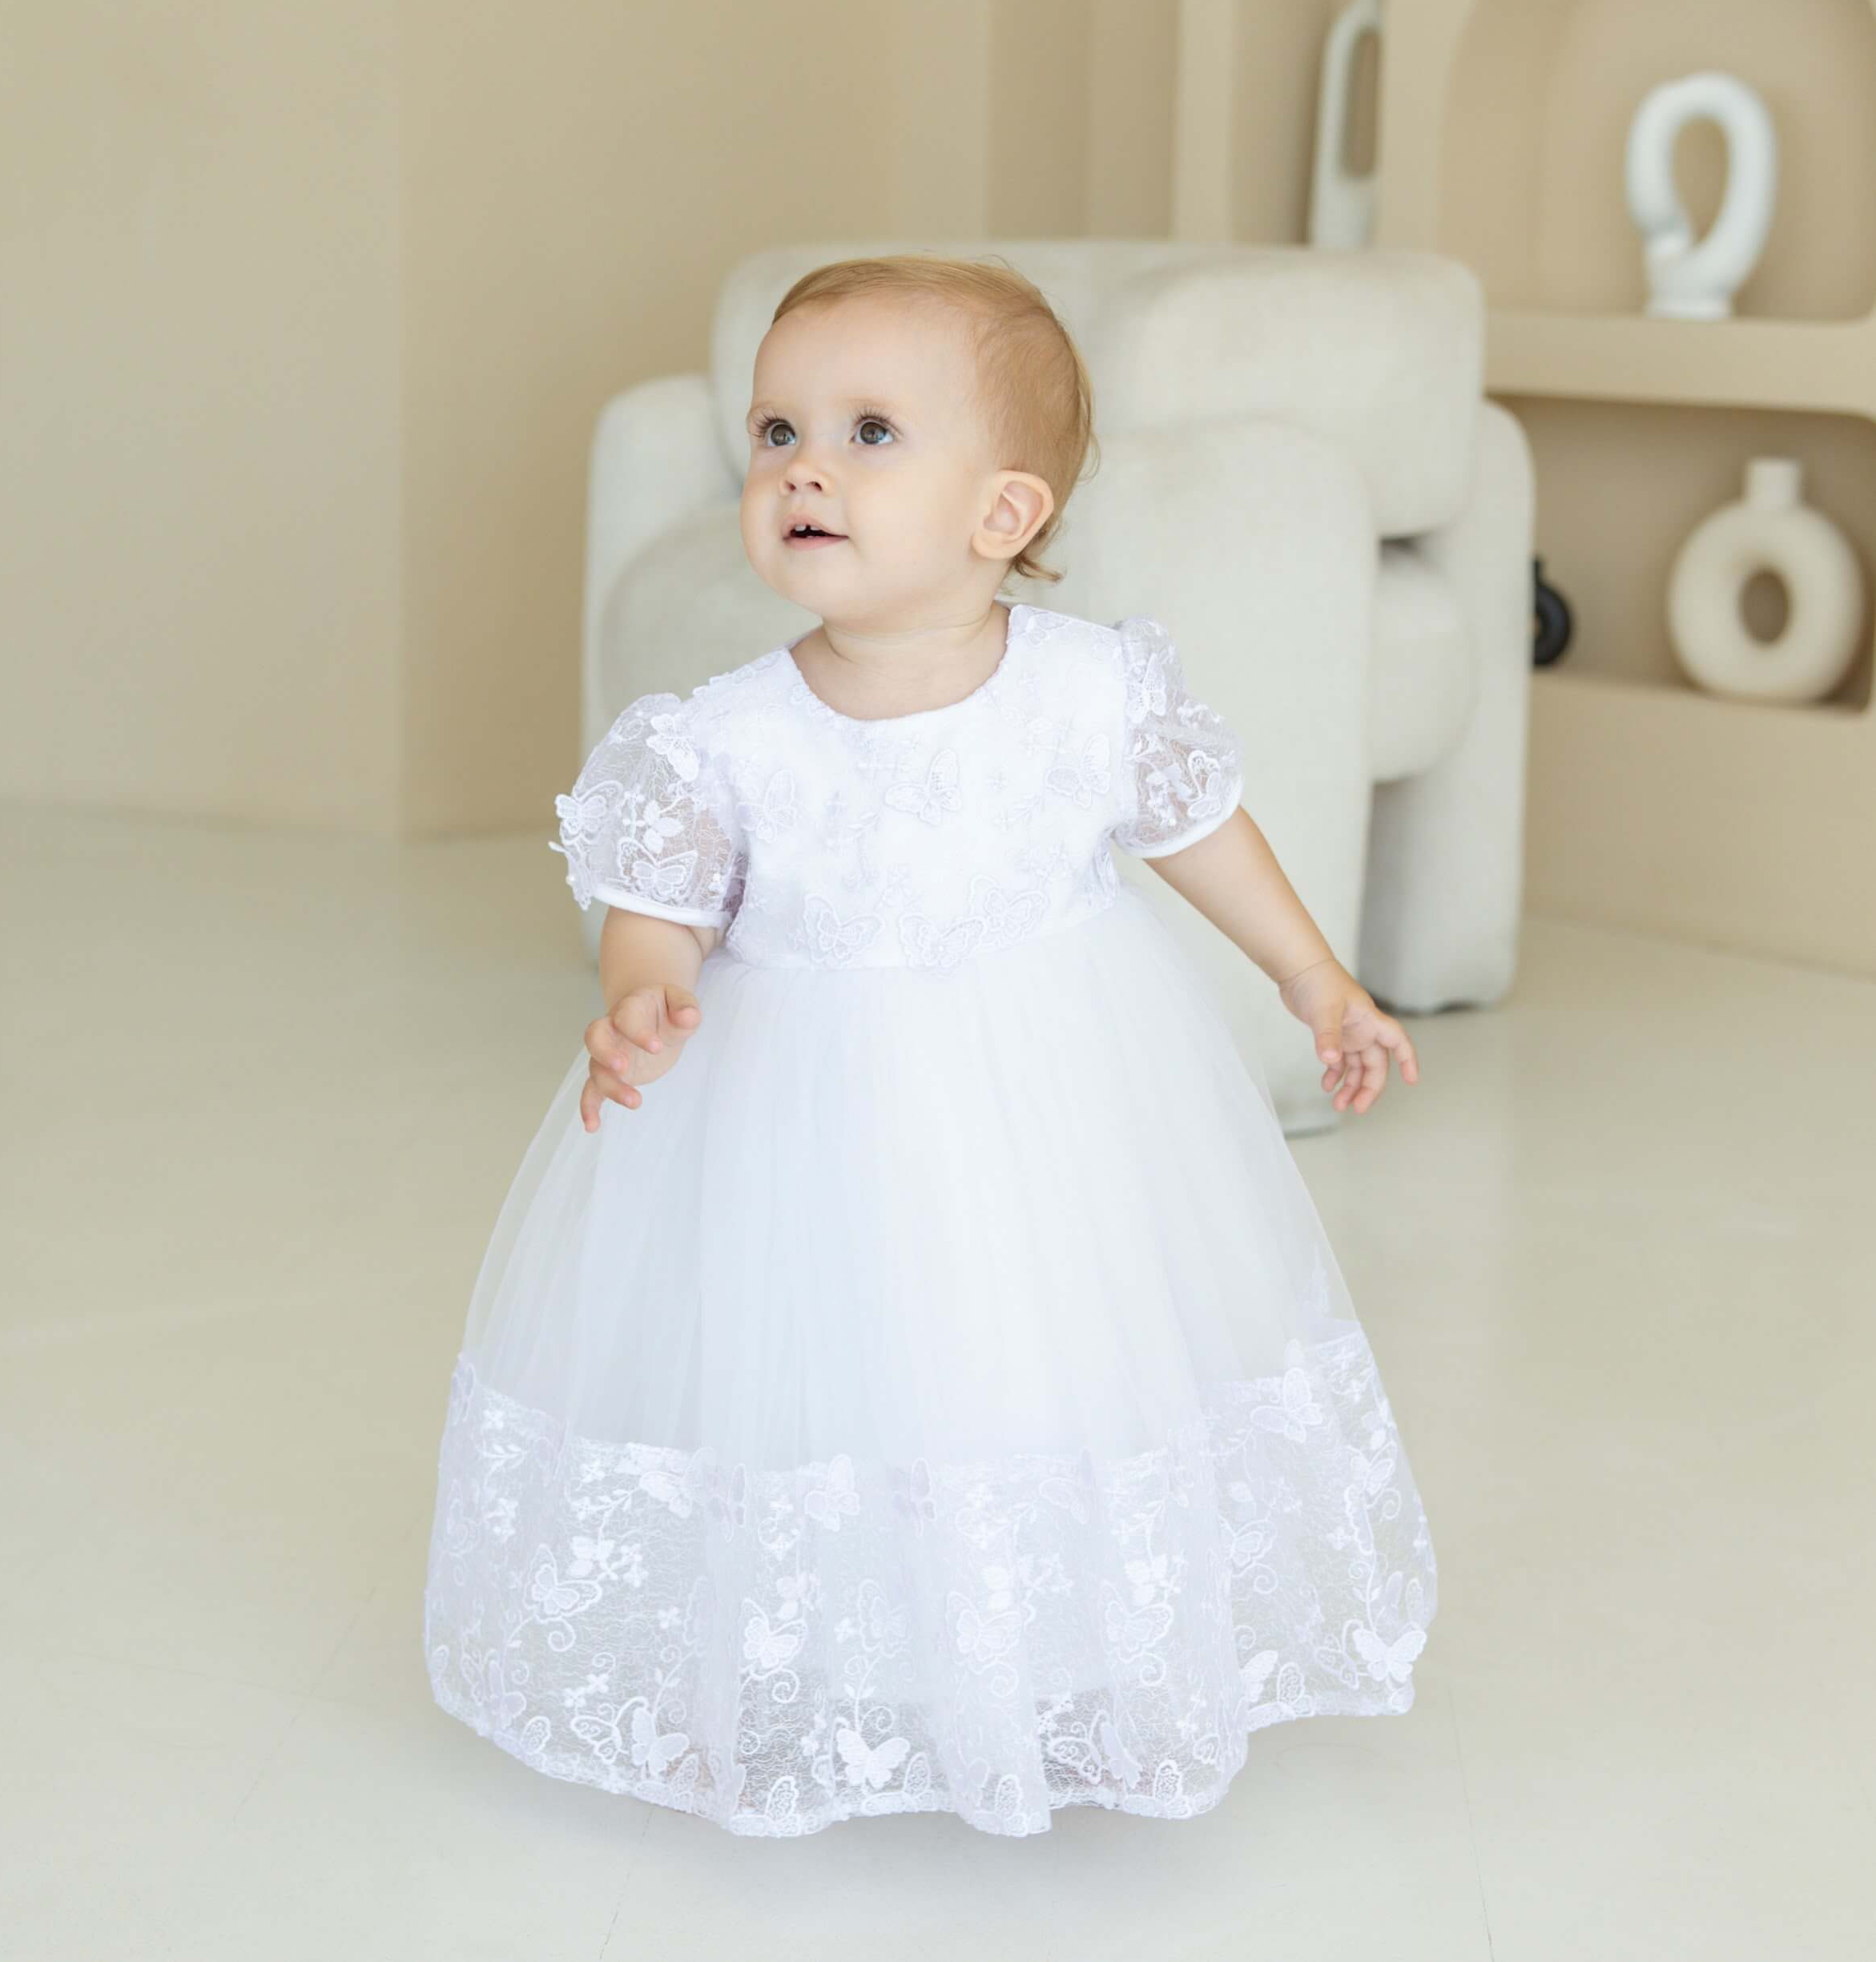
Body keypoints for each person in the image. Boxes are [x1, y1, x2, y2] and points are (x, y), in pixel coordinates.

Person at [424, 252, 1436, 1839]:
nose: (801, 465)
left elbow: (1200, 831)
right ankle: (839, 1640)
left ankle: (1046, 1635)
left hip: (1053, 1110)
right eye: (774, 432)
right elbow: (659, 901)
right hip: (804, 1126)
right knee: (834, 1368)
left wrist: (1317, 979)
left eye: (867, 430)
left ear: (1002, 513)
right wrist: (643, 989)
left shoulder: (1091, 689)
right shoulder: (722, 734)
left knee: (1037, 1349)